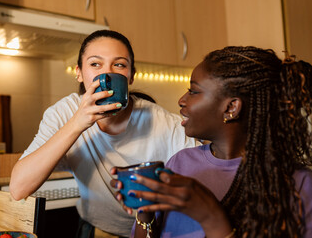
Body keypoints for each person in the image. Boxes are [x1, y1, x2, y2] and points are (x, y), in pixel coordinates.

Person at [9, 29, 196, 237]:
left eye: (119, 64)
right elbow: (18, 189)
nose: (107, 73)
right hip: (95, 230)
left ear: (131, 76)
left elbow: (203, 174)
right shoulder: (64, 113)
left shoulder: (163, 122)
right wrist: (78, 123)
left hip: (152, 230)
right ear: (79, 72)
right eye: (95, 64)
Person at [114, 46, 312, 237]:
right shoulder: (180, 163)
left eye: (193, 91)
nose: (182, 100)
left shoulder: (300, 184)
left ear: (231, 108)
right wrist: (145, 212)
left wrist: (211, 216)